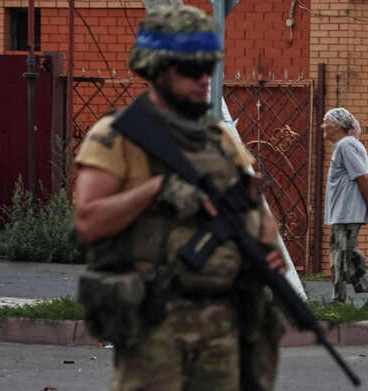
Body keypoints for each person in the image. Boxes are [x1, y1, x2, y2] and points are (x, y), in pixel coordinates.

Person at [73, 4, 285, 391]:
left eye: (208, 66)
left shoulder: (219, 141)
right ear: (156, 68)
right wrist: (157, 189)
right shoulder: (117, 135)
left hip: (223, 324)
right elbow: (88, 221)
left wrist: (264, 249)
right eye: (191, 68)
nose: (204, 78)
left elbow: (260, 215)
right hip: (156, 323)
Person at [322, 107, 368, 310]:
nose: (323, 126)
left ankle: (338, 301)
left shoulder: (345, 145)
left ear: (337, 125)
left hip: (346, 212)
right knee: (349, 253)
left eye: (326, 122)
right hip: (345, 212)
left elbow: (363, 176)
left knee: (340, 256)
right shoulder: (350, 144)